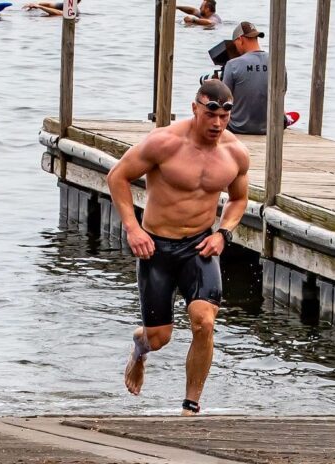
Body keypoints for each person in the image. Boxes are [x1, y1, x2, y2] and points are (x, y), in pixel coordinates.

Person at [106, 80, 249, 416]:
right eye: (210, 114)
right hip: (155, 248)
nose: (217, 123)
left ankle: (190, 406)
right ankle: (139, 348)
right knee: (158, 339)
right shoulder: (164, 142)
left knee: (204, 322)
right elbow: (117, 177)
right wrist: (133, 229)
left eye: (224, 116)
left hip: (199, 246)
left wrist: (223, 234)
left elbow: (239, 199)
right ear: (195, 108)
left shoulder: (235, 153)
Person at [222, 21, 288, 135]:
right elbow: (282, 92)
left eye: (234, 43)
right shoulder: (278, 61)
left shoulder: (232, 65)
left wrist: (214, 85)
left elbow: (223, 99)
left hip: (238, 128)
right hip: (270, 128)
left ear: (240, 39)